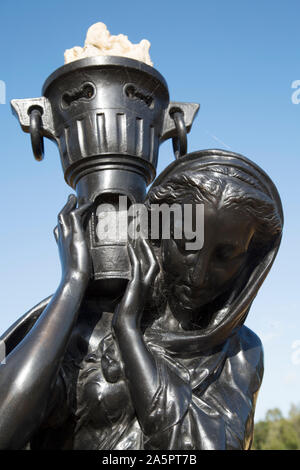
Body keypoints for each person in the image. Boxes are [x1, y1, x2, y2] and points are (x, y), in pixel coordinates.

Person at [0, 149, 283, 450]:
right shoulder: (84, 328)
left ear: (252, 262)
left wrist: (130, 334)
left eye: (225, 256)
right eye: (186, 244)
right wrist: (72, 284)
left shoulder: (240, 352)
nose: (198, 275)